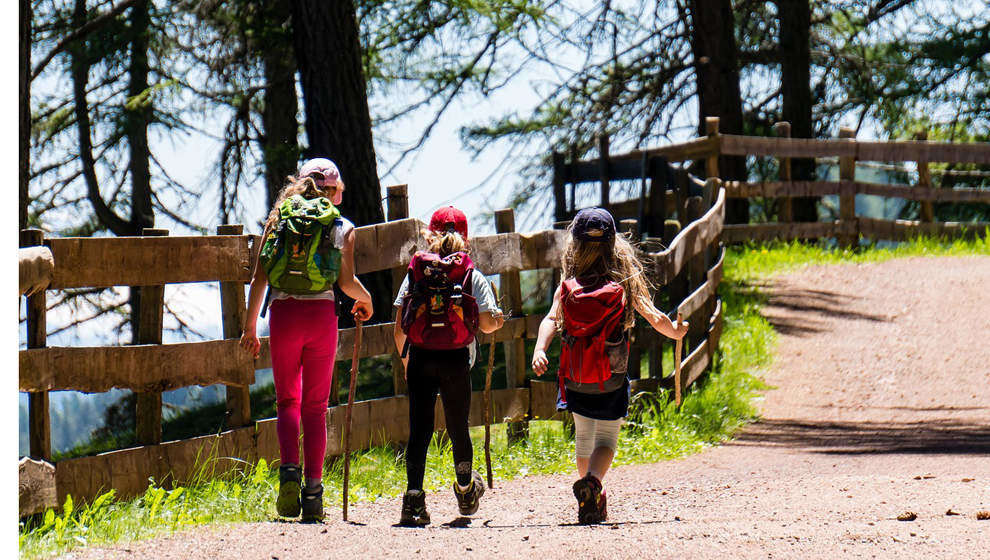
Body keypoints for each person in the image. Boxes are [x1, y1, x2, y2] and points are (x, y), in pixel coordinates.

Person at [530, 207, 688, 524]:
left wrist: (540, 348)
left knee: (584, 439)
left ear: (573, 244)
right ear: (613, 243)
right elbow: (653, 316)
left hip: (575, 377)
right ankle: (593, 484)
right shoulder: (623, 279)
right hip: (611, 377)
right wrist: (675, 331)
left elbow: (551, 319)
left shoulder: (569, 282)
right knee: (606, 442)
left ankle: (591, 497)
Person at [240, 158, 373, 522]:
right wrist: (367, 299)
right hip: (320, 318)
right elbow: (346, 283)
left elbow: (259, 280)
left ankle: (288, 475)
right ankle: (313, 494)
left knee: (287, 402)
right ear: (335, 191)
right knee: (315, 408)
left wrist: (250, 327)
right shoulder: (342, 226)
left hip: (283, 316)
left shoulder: (278, 220)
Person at [392, 206, 504, 526]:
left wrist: (405, 359)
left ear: (430, 235)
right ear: (466, 238)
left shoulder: (417, 273)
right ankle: (466, 491)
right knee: (458, 427)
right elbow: (485, 322)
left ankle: (413, 500)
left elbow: (400, 325)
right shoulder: (471, 274)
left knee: (420, 430)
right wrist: (497, 320)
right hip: (456, 358)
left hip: (421, 356)